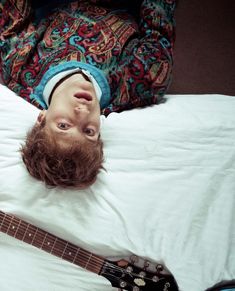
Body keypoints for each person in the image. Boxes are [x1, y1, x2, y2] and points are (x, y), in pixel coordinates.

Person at [0, 0, 176, 188]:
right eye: (89, 131)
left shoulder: (18, 67)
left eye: (63, 125)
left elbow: (12, 11)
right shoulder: (143, 83)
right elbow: (158, 18)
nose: (82, 113)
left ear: (42, 118)